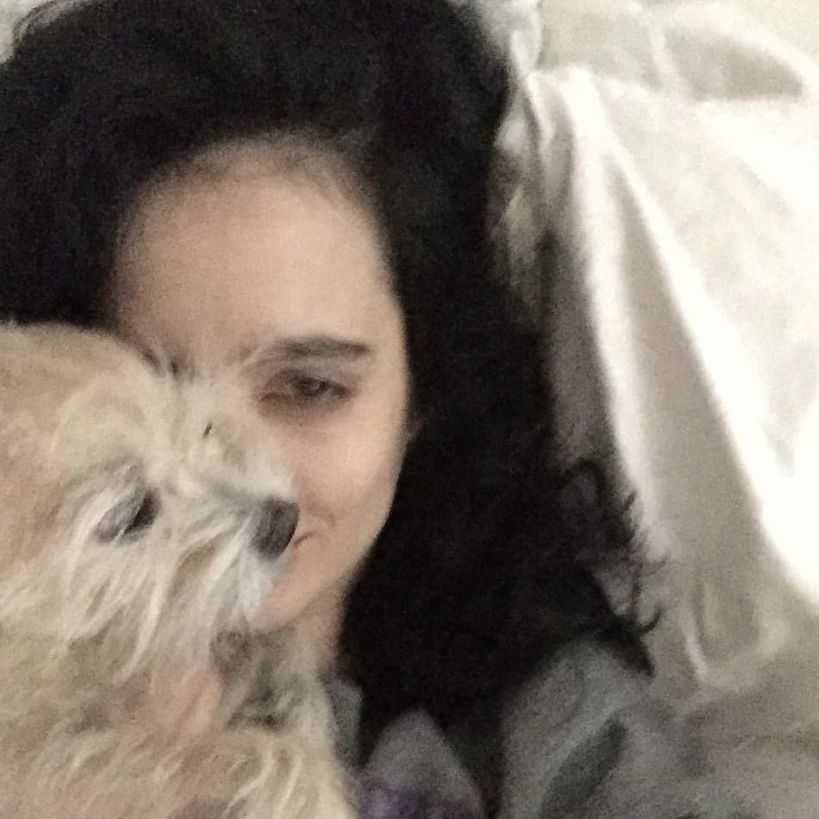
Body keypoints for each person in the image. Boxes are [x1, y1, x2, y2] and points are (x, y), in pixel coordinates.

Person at [0, 1, 754, 816]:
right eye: (158, 387)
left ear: (422, 388)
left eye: (310, 387)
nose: (245, 471)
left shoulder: (560, 736)